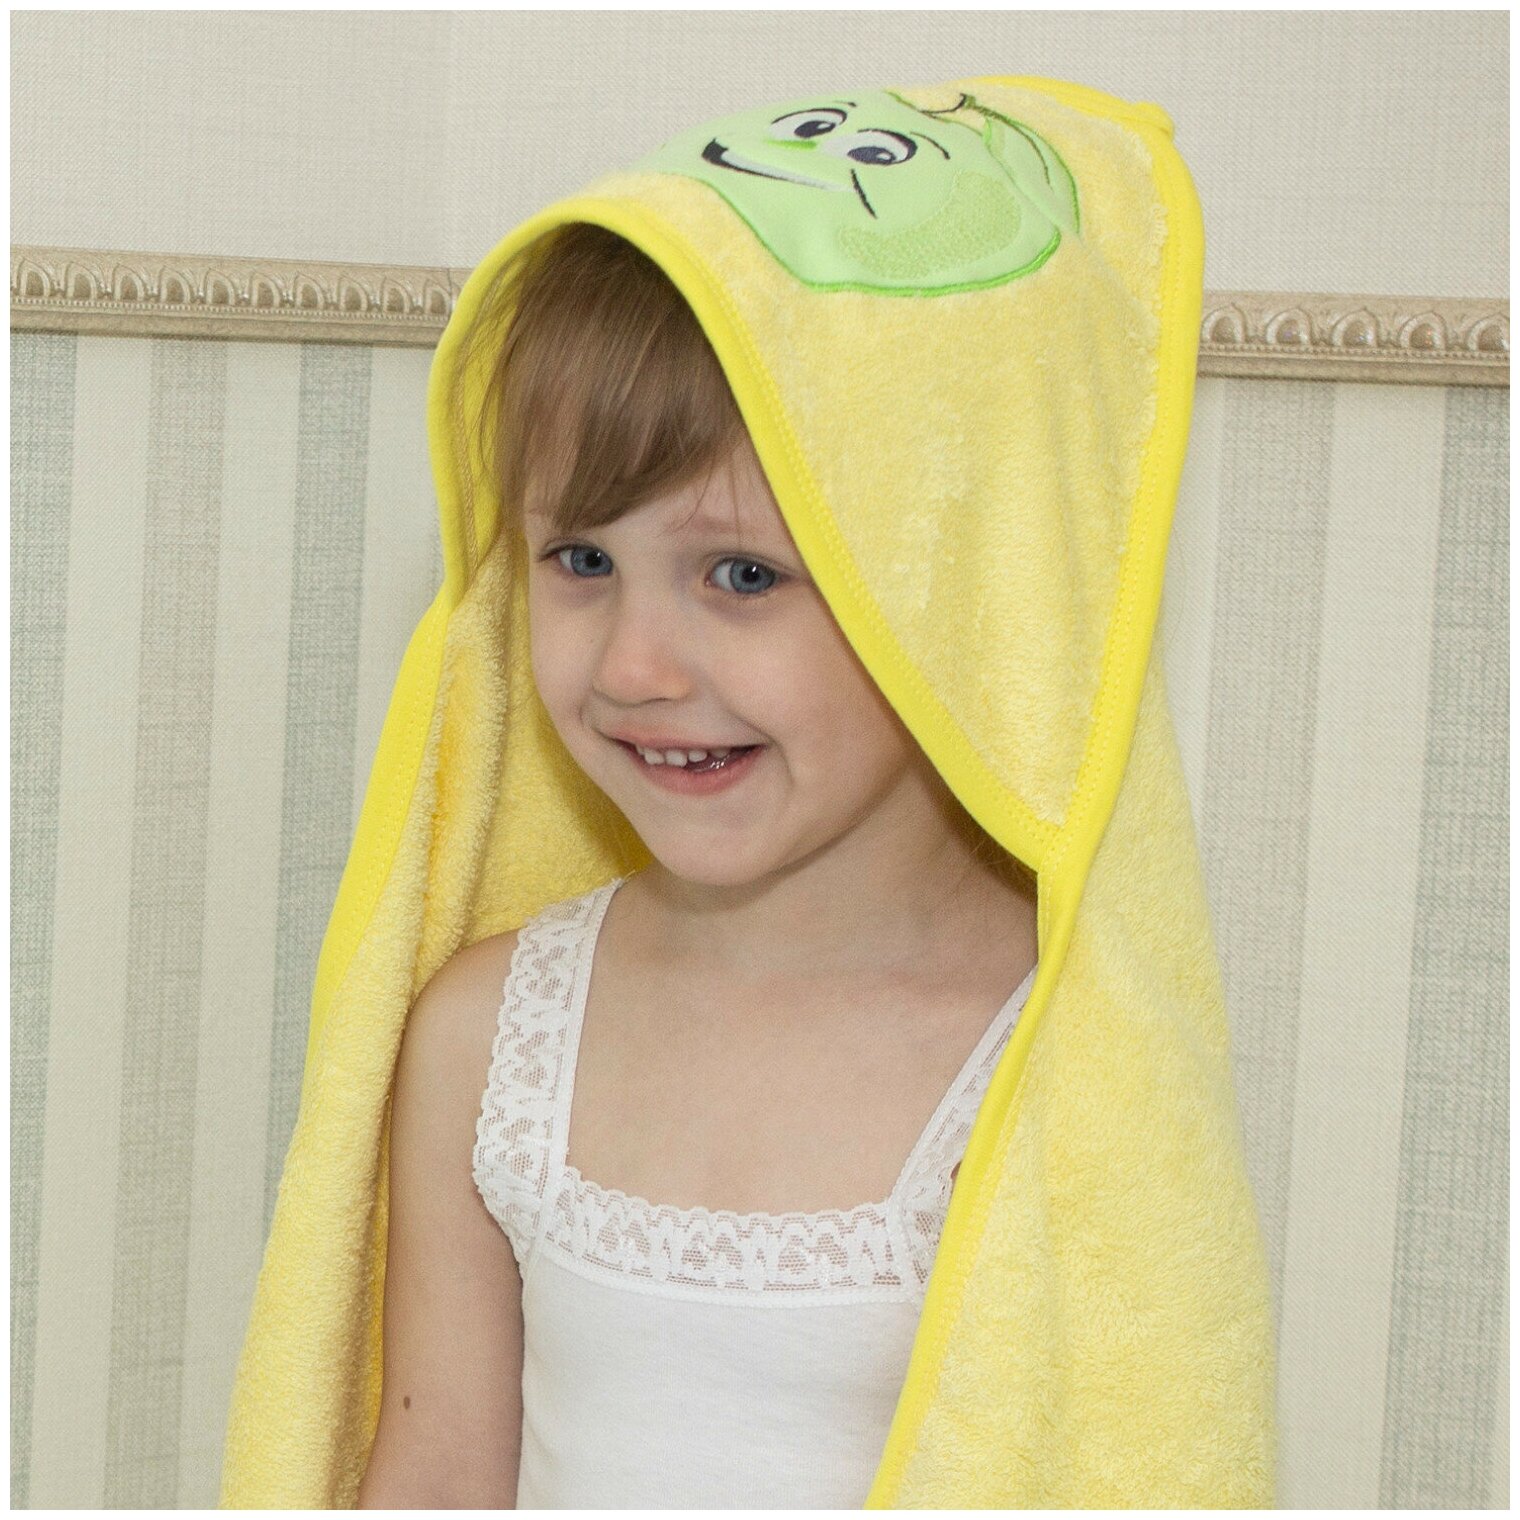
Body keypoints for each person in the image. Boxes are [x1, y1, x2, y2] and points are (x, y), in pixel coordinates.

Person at [222, 76, 1277, 1510]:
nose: (635, 666)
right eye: (580, 561)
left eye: (741, 574)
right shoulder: (487, 1040)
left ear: (954, 594)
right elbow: (436, 1470)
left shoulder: (1061, 1077)